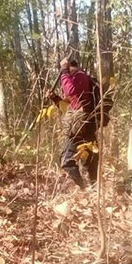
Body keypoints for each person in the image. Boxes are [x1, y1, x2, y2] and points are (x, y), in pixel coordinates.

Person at [47, 58, 98, 189]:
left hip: (84, 123)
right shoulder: (77, 78)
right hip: (80, 123)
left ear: (71, 66)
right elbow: (70, 105)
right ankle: (89, 189)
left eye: (68, 70)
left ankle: (88, 189)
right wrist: (54, 98)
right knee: (86, 159)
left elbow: (71, 90)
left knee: (69, 160)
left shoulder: (80, 76)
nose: (66, 74)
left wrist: (64, 71)